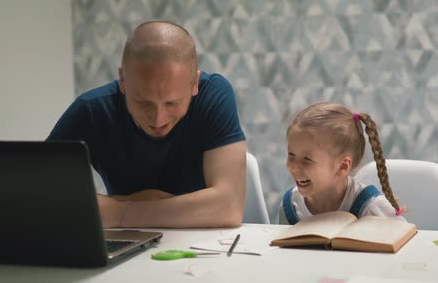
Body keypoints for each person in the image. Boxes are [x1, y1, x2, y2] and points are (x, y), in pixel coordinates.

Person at [47, 21, 247, 228]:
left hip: (205, 243)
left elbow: (228, 207)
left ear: (194, 84)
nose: (158, 118)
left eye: (172, 103)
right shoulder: (91, 109)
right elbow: (38, 194)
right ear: (122, 79)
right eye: (143, 102)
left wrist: (119, 211)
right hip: (128, 241)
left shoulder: (214, 94)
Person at [279, 102, 405, 224]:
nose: (294, 168)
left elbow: (407, 241)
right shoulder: (290, 206)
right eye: (291, 155)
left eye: (307, 159)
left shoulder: (371, 208)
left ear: (342, 166)